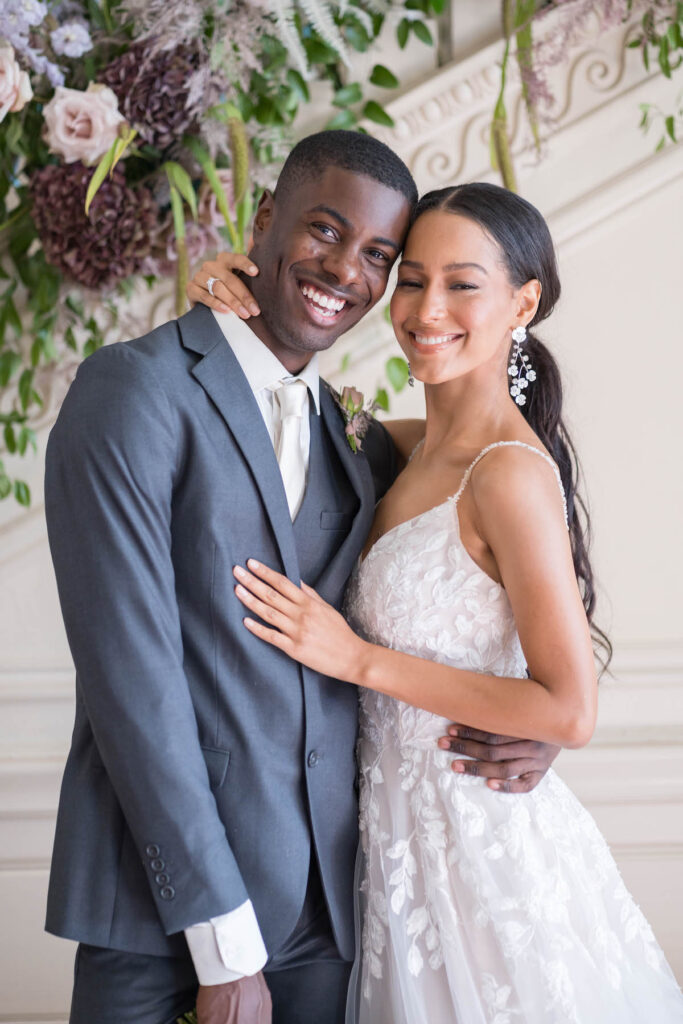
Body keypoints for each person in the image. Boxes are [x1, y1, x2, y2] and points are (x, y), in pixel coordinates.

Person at [44, 133, 559, 1024]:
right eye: (323, 231)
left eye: (377, 257)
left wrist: (529, 718)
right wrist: (223, 946)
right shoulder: (132, 391)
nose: (345, 272)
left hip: (332, 912)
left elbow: (495, 551)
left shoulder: (348, 434)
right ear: (261, 220)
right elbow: (131, 683)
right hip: (162, 920)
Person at [214, 183, 683, 1022]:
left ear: (522, 302)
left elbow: (568, 709)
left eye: (462, 284)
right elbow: (268, 407)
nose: (427, 309)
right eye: (413, 279)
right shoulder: (395, 446)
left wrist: (355, 658)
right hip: (385, 852)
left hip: (478, 856)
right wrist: (235, 305)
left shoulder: (505, 472)